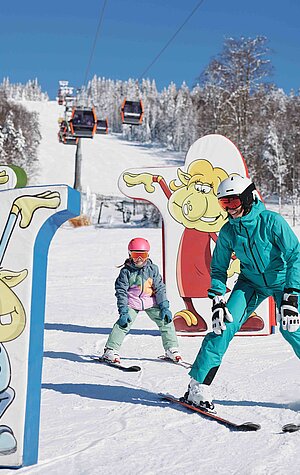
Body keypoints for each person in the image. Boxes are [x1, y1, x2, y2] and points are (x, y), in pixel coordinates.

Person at [183, 175, 300, 410]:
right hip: (250, 283)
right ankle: (198, 386)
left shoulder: (271, 222)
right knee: (223, 326)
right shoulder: (228, 232)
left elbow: (295, 254)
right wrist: (217, 299)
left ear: (248, 198)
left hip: (282, 281)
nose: (229, 209)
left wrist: (291, 294)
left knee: (292, 329)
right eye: (223, 204)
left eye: (233, 202)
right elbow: (218, 268)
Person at [102, 237, 182, 363]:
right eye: (135, 255)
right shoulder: (126, 272)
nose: (139, 259)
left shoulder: (152, 269)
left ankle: (171, 349)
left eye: (143, 255)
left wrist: (164, 307)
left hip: (151, 301)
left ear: (148, 255)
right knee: (123, 324)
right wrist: (123, 311)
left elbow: (160, 288)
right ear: (129, 255)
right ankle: (110, 350)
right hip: (132, 302)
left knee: (166, 321)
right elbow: (121, 291)